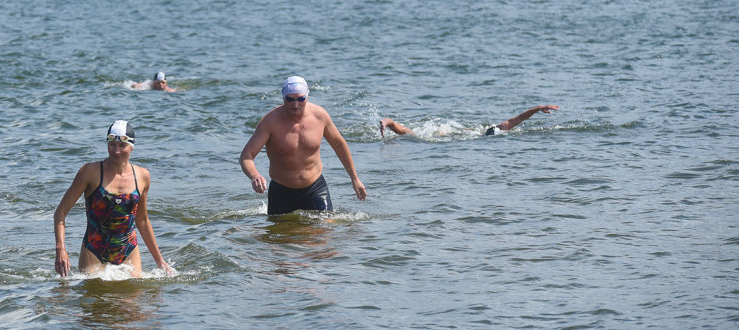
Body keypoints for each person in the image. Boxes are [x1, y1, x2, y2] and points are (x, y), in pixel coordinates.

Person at [53, 120, 172, 278]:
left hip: (129, 250)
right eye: (112, 144)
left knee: (133, 300)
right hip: (94, 250)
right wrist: (61, 249)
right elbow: (60, 213)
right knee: (95, 300)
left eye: (122, 145)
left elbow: (142, 220)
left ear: (132, 147)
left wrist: (160, 261)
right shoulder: (90, 172)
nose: (116, 151)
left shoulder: (142, 176)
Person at [239, 76, 367, 215]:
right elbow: (247, 155)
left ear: (307, 97)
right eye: (290, 99)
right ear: (283, 98)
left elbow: (339, 145)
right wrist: (255, 176)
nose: (295, 104)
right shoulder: (270, 122)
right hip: (282, 192)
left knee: (324, 231)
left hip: (315, 188)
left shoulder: (320, 116)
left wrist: (355, 179)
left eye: (300, 99)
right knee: (279, 236)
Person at [379, 104, 560, 139]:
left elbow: (516, 119)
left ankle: (389, 122)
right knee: (413, 134)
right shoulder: (486, 133)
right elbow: (516, 120)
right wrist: (536, 109)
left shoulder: (484, 131)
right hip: (450, 135)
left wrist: (536, 109)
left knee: (413, 134)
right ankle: (389, 122)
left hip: (446, 132)